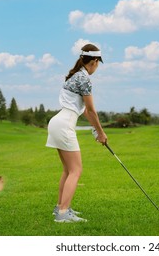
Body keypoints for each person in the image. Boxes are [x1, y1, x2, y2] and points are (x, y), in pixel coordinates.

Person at [46, 43, 107, 223]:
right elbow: (91, 110)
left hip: (57, 122)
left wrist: (96, 130)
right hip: (64, 125)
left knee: (68, 170)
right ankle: (63, 214)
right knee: (76, 170)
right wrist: (101, 133)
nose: (97, 67)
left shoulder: (75, 76)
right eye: (98, 63)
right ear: (94, 61)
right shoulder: (84, 79)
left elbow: (87, 113)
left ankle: (61, 208)